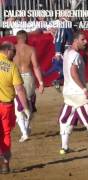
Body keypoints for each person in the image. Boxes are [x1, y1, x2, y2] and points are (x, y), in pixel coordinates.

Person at [0, 42, 30, 174]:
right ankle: (5, 164)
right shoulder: (11, 67)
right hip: (5, 105)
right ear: (7, 51)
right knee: (5, 134)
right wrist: (26, 107)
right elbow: (19, 89)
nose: (15, 54)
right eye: (13, 52)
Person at [13, 30, 44, 142]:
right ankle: (26, 128)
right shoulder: (31, 49)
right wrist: (41, 82)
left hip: (15, 78)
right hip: (28, 77)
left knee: (18, 106)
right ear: (26, 38)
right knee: (29, 103)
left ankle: (24, 132)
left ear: (17, 38)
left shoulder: (12, 49)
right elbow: (36, 67)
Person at [43, 17, 73, 91]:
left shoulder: (68, 25)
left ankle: (57, 80)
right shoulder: (64, 25)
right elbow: (59, 39)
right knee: (67, 69)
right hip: (65, 50)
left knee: (64, 69)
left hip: (67, 49)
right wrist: (58, 53)